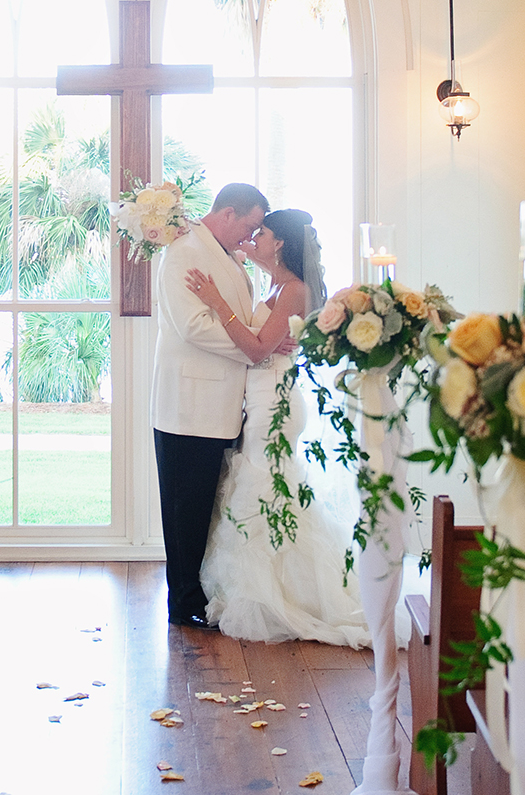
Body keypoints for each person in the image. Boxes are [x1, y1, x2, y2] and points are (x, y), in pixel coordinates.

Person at [185, 209, 371, 646]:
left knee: (265, 487)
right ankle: (273, 585)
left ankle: (281, 596)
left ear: (281, 243)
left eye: (261, 232)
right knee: (270, 487)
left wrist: (217, 302)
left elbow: (254, 350)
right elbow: (252, 256)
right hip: (265, 397)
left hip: (276, 403)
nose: (253, 237)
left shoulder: (294, 290)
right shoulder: (277, 280)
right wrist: (226, 241)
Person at [151, 182, 269, 629]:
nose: (250, 238)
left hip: (219, 403)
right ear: (228, 213)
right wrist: (255, 348)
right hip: (188, 404)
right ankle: (182, 606)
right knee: (184, 511)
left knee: (205, 509)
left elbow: (238, 313)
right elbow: (194, 326)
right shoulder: (184, 251)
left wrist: (269, 339)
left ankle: (197, 596)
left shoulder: (226, 254)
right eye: (249, 226)